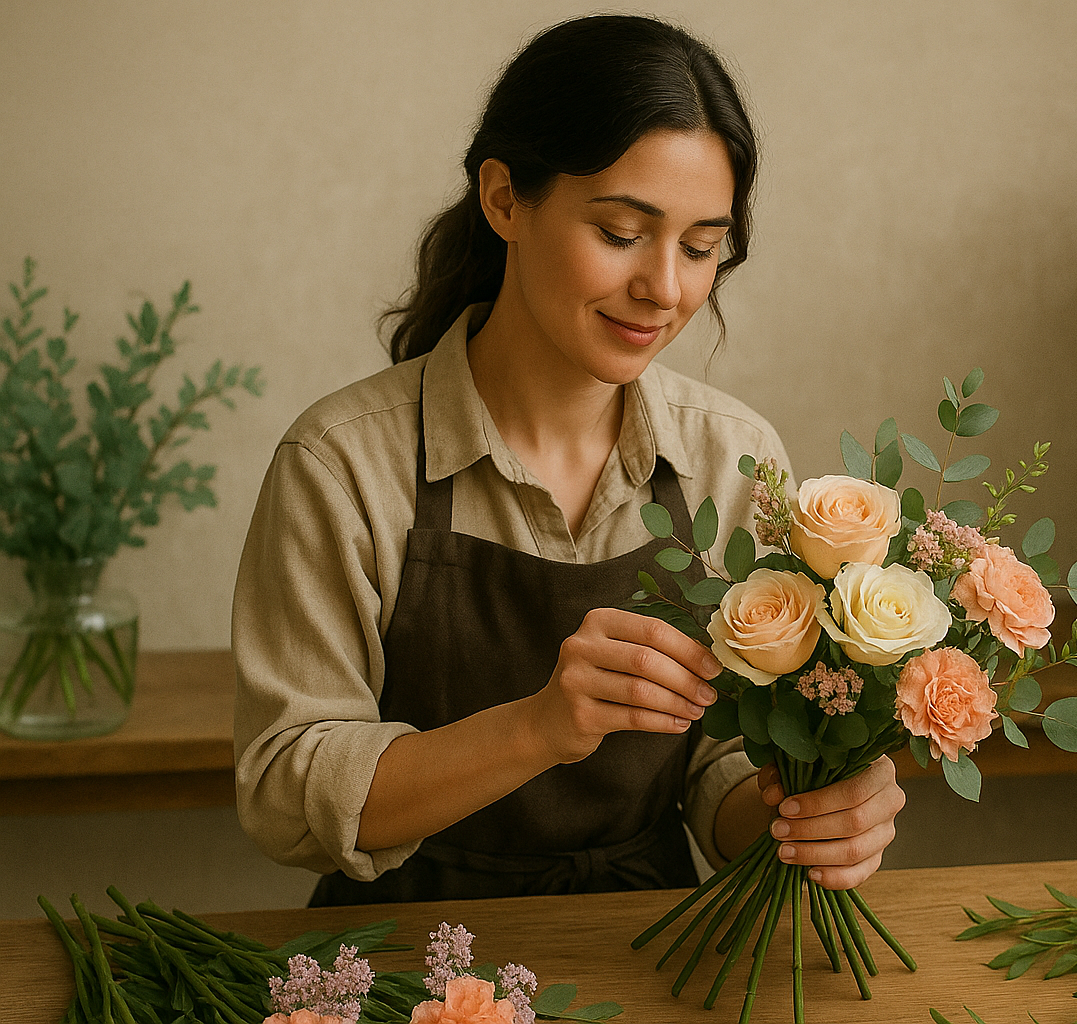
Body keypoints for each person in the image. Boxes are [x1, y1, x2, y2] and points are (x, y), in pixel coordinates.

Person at [233, 14, 905, 907]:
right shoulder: (342, 465)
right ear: (505, 198)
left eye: (702, 248)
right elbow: (286, 790)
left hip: (645, 942)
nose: (665, 288)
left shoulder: (733, 457)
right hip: (394, 957)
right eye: (624, 232)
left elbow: (723, 760)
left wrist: (805, 821)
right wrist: (537, 728)